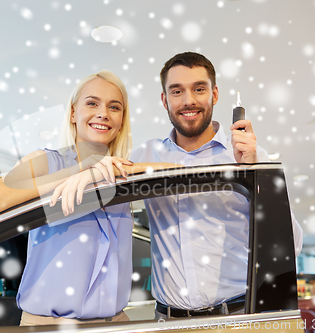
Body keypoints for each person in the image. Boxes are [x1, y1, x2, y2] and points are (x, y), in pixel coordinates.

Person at [0, 70, 175, 326]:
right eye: (92, 103)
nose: (103, 113)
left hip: (115, 323)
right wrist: (83, 169)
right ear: (72, 113)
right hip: (49, 325)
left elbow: (175, 172)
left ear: (121, 120)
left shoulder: (120, 170)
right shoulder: (46, 161)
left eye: (114, 107)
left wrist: (111, 169)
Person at [128, 52, 304, 319]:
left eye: (199, 89)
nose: (188, 101)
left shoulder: (250, 156)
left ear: (215, 94)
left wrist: (256, 172)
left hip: (235, 317)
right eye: (177, 91)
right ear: (164, 100)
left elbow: (292, 245)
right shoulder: (144, 156)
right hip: (167, 322)